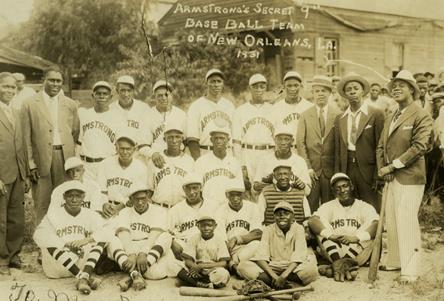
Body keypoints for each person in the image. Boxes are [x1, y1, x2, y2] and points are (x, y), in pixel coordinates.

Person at [376, 70, 433, 284]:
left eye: (402, 85)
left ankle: (410, 270)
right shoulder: (392, 115)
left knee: (407, 220)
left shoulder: (421, 114)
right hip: (390, 177)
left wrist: (393, 166)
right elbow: (381, 145)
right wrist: (384, 168)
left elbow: (420, 146)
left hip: (410, 177)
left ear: (412, 89)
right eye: (394, 86)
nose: (396, 88)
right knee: (392, 219)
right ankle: (396, 261)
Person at [22, 66, 80, 227]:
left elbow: (74, 132)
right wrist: (31, 163)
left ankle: (63, 236)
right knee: (42, 201)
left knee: (65, 198)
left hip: (64, 158)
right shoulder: (29, 104)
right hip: (41, 159)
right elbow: (25, 137)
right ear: (43, 80)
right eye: (52, 80)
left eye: (58, 81)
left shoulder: (70, 104)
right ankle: (43, 242)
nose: (55, 84)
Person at [33, 180, 108, 294]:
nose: (74, 200)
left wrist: (86, 240)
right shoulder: (54, 214)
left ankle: (83, 277)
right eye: (70, 196)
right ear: (64, 197)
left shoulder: (90, 214)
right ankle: (82, 276)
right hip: (57, 265)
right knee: (47, 240)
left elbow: (107, 231)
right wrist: (65, 245)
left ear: (83, 197)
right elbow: (38, 235)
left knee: (101, 239)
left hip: (80, 261)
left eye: (78, 196)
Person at [106, 184, 183, 291]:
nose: (140, 202)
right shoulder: (125, 212)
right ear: (131, 199)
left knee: (166, 236)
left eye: (143, 198)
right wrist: (131, 254)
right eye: (137, 199)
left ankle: (132, 274)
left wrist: (143, 253)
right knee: (112, 240)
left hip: (149, 247)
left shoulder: (158, 211)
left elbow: (154, 234)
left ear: (148, 197)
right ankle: (136, 273)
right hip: (130, 246)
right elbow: (124, 235)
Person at [308, 173, 379, 281]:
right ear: (333, 192)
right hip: (334, 249)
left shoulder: (364, 206)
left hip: (357, 251)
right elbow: (312, 221)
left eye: (345, 186)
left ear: (352, 187)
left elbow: (377, 225)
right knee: (322, 227)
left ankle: (336, 266)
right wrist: (331, 236)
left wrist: (357, 238)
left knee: (369, 227)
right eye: (338, 188)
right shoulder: (328, 206)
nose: (342, 190)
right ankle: (344, 265)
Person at [237, 201, 318, 288]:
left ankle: (272, 282)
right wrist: (275, 277)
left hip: (292, 267)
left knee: (312, 270)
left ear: (293, 216)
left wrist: (283, 276)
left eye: (286, 213)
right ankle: (285, 283)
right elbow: (261, 257)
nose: (282, 216)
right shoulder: (268, 229)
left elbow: (299, 256)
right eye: (278, 214)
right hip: (272, 266)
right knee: (242, 266)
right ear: (274, 217)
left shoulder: (299, 228)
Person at [335, 73, 385, 211]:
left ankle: (373, 233)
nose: (352, 92)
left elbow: (381, 146)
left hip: (368, 168)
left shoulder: (376, 114)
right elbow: (338, 150)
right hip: (347, 168)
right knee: (350, 206)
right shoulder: (340, 118)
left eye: (355, 88)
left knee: (371, 206)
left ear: (362, 91)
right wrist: (339, 173)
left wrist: (378, 173)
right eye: (348, 89)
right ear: (344, 94)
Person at [297, 75, 342, 212]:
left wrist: (337, 169)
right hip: (312, 170)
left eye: (324, 91)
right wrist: (308, 167)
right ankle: (311, 232)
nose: (320, 94)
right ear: (313, 94)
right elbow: (301, 142)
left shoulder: (338, 114)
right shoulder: (305, 115)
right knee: (311, 205)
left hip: (330, 170)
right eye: (317, 91)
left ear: (330, 93)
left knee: (330, 206)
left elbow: (341, 144)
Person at [0, 72, 30, 275]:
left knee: (16, 218)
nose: (9, 90)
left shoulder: (16, 112)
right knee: (1, 218)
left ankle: (13, 255)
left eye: (12, 87)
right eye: (5, 86)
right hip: (2, 175)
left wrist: (25, 174)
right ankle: (1, 259)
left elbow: (21, 146)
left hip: (18, 174)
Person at [78, 81, 124, 181]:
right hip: (87, 166)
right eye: (98, 93)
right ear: (93, 95)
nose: (101, 96)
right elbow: (79, 143)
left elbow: (121, 145)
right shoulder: (84, 115)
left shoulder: (118, 117)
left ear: (110, 97)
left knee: (105, 195)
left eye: (105, 94)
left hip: (107, 164)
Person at [233, 73, 275, 184]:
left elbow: (277, 138)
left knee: (265, 188)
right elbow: (236, 142)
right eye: (255, 86)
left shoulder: (273, 110)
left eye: (262, 86)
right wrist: (240, 165)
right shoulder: (240, 111)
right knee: (247, 189)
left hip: (268, 152)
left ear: (266, 88)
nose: (259, 89)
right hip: (247, 154)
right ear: (249, 88)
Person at [186, 68, 235, 160]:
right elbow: (192, 139)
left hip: (227, 154)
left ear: (223, 84)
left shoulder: (229, 105)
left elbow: (235, 136)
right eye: (212, 81)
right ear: (206, 83)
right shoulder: (196, 106)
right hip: (206, 152)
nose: (216, 85)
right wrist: (198, 161)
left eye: (219, 81)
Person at [216, 183, 263, 275]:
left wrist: (237, 239)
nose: (235, 198)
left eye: (238, 194)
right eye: (232, 195)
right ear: (226, 195)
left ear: (244, 194)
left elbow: (258, 233)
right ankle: (237, 266)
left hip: (249, 246)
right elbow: (222, 241)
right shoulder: (220, 211)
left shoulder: (253, 207)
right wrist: (228, 257)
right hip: (232, 250)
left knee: (258, 245)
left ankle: (236, 267)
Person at [194, 124, 245, 209]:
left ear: (228, 140)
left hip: (228, 208)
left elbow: (240, 189)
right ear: (211, 140)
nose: (218, 141)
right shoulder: (201, 161)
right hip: (208, 206)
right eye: (216, 138)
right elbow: (196, 189)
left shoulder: (234, 162)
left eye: (222, 138)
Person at [97, 135, 148, 216]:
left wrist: (121, 206)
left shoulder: (141, 167)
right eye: (122, 148)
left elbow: (138, 195)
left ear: (134, 149)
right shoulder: (106, 163)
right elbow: (101, 190)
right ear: (116, 148)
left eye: (128, 149)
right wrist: (104, 204)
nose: (125, 152)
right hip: (106, 208)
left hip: (128, 209)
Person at [147, 122, 194, 209]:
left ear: (182, 139)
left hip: (181, 209)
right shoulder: (155, 160)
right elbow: (149, 189)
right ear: (164, 139)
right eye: (170, 137)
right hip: (159, 207)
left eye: (177, 137)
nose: (174, 140)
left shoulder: (189, 161)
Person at [168, 173, 214, 260]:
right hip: (185, 247)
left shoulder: (213, 205)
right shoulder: (175, 210)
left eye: (195, 188)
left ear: (201, 187)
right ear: (183, 190)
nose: (191, 192)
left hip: (208, 245)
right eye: (188, 189)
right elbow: (166, 232)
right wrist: (173, 242)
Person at [253, 126, 311, 196]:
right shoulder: (264, 160)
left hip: (293, 201)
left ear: (292, 141)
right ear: (275, 140)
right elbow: (255, 187)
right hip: (271, 201)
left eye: (286, 139)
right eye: (280, 139)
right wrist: (269, 185)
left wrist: (303, 186)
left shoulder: (300, 161)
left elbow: (307, 191)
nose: (283, 142)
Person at [177, 214, 231, 288]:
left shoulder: (219, 240)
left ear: (215, 226)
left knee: (223, 274)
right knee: (174, 264)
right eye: (203, 226)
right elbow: (188, 260)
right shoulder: (194, 238)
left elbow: (223, 263)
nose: (206, 228)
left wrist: (201, 266)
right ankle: (201, 284)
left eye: (209, 225)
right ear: (198, 227)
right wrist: (195, 267)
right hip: (195, 268)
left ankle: (193, 281)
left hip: (212, 269)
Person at [109, 75, 153, 153]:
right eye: (122, 90)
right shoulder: (110, 109)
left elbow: (147, 134)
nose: (126, 94)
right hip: (117, 152)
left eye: (129, 90)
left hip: (139, 151)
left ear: (133, 91)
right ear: (117, 90)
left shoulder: (143, 108)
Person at [271, 71, 313, 145]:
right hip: (283, 150)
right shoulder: (276, 108)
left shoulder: (309, 107)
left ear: (301, 86)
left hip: (303, 150)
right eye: (289, 86)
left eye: (296, 85)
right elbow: (272, 133)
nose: (293, 89)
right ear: (284, 87)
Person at [149, 80, 187, 153]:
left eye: (166, 94)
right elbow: (144, 144)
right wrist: (152, 154)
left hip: (177, 156)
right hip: (156, 157)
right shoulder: (148, 115)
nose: (163, 98)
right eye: (160, 95)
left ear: (171, 96)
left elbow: (186, 141)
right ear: (154, 97)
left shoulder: (181, 114)